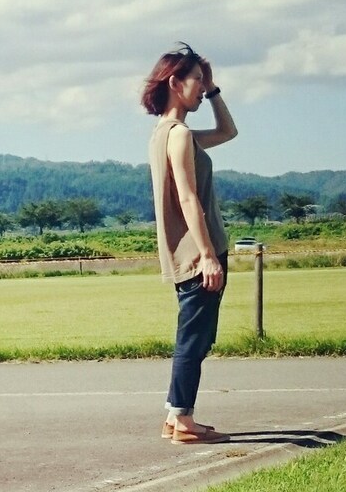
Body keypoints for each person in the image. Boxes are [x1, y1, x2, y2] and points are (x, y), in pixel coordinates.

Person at [140, 42, 237, 445]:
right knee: (193, 339)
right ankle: (182, 419)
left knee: (195, 336)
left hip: (189, 255)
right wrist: (208, 255)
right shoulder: (179, 135)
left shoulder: (167, 134)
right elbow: (187, 197)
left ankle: (175, 417)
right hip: (198, 255)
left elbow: (228, 132)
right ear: (175, 83)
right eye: (197, 80)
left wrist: (213, 90)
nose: (200, 87)